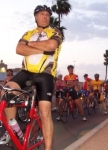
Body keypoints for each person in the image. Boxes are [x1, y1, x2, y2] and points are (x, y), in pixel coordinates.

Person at [0, 5, 62, 149]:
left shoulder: (55, 32)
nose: (45, 16)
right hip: (26, 73)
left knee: (45, 112)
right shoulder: (28, 33)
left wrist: (30, 45)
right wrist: (42, 47)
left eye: (47, 14)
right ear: (35, 17)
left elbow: (52, 45)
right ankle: (12, 129)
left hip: (45, 75)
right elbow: (19, 49)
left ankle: (48, 148)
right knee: (6, 92)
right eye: (41, 14)